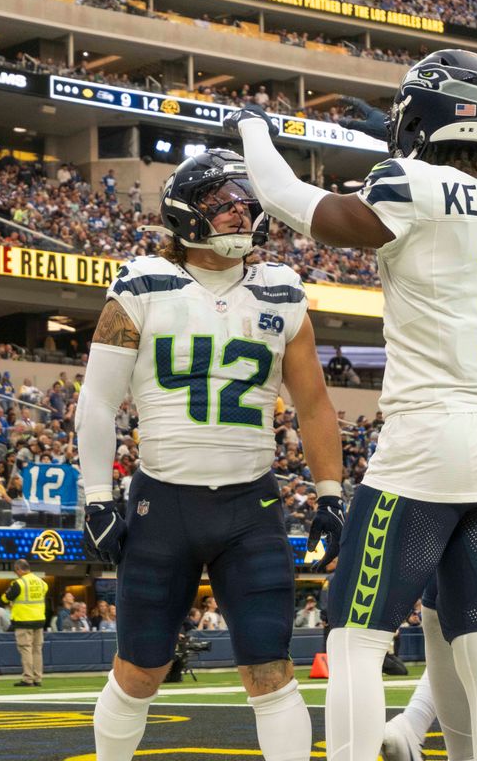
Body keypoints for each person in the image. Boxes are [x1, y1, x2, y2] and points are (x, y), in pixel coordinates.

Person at [229, 50, 477, 760]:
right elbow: (473, 183)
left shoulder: (410, 185)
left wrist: (255, 131)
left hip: (425, 443)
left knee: (354, 636)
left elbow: (295, 203)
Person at [78, 146, 343, 761]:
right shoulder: (143, 282)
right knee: (140, 670)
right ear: (184, 212)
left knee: (271, 671)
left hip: (251, 507)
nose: (237, 213)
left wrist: (330, 495)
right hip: (162, 502)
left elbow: (314, 405)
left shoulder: (282, 291)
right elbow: (97, 400)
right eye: (220, 203)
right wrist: (96, 496)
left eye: (245, 203)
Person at [1, 558, 49, 686]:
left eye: (15, 571)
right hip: (39, 620)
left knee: (26, 649)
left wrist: (6, 596)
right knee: (37, 650)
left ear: (18, 569)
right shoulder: (41, 582)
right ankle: (38, 678)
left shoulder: (18, 583)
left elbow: (6, 598)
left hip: (24, 621)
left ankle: (28, 678)